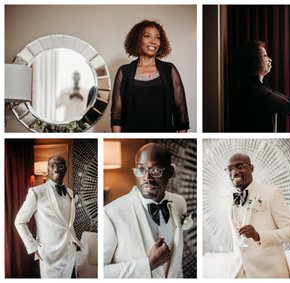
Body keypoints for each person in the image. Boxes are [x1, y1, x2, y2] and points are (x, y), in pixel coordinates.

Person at [103, 143, 192, 278]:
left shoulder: (179, 203)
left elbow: (175, 263)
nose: (147, 178)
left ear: (170, 172)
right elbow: (101, 273)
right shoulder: (111, 214)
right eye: (141, 170)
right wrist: (148, 264)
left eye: (155, 170)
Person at [110, 20, 190, 133]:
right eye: (147, 36)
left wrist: (182, 138)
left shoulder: (169, 70)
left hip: (164, 136)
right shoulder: (124, 72)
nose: (153, 41)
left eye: (157, 38)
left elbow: (181, 110)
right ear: (138, 40)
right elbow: (116, 113)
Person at [224, 153, 290, 278]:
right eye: (230, 169)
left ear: (251, 168)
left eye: (239, 166)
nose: (234, 172)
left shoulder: (271, 193)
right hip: (240, 273)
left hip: (270, 273)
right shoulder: (228, 201)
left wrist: (258, 235)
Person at [14, 156, 83, 278]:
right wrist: (33, 247)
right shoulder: (36, 192)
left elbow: (67, 224)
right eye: (52, 166)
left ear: (66, 169)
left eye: (60, 166)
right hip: (49, 254)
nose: (56, 169)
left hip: (70, 252)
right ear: (48, 168)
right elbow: (19, 221)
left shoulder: (70, 193)